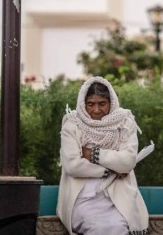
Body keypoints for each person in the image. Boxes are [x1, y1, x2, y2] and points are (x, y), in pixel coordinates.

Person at [56, 77, 149, 235]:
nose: (96, 110)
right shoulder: (72, 124)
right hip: (83, 197)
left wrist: (92, 154)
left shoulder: (124, 123)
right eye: (91, 104)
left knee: (119, 226)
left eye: (102, 104)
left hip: (119, 195)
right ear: (83, 104)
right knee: (100, 228)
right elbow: (72, 165)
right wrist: (111, 170)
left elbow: (127, 161)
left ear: (111, 102)